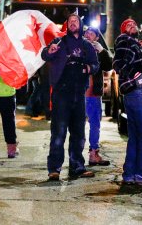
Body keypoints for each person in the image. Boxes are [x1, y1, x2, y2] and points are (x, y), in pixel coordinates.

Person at [41, 13, 99, 180]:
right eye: (70, 21)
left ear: (80, 25)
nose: (73, 23)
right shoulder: (59, 41)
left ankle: (77, 167)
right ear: (67, 25)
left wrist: (88, 68)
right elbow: (45, 55)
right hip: (61, 93)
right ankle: (54, 169)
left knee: (78, 133)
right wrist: (49, 51)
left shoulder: (87, 45)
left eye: (76, 21)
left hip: (79, 93)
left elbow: (95, 65)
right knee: (58, 133)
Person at [113, 18, 142, 186]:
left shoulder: (133, 42)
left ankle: (130, 174)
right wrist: (138, 76)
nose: (133, 25)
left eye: (134, 24)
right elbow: (118, 64)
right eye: (128, 24)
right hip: (140, 93)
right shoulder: (125, 40)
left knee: (135, 137)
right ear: (123, 30)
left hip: (134, 94)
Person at [83, 26, 112, 166]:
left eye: (92, 34)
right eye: (87, 33)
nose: (88, 35)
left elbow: (109, 66)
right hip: (79, 93)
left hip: (94, 93)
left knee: (95, 124)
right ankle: (75, 157)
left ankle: (93, 153)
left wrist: (102, 51)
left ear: (97, 38)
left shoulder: (99, 51)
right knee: (77, 126)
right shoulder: (79, 46)